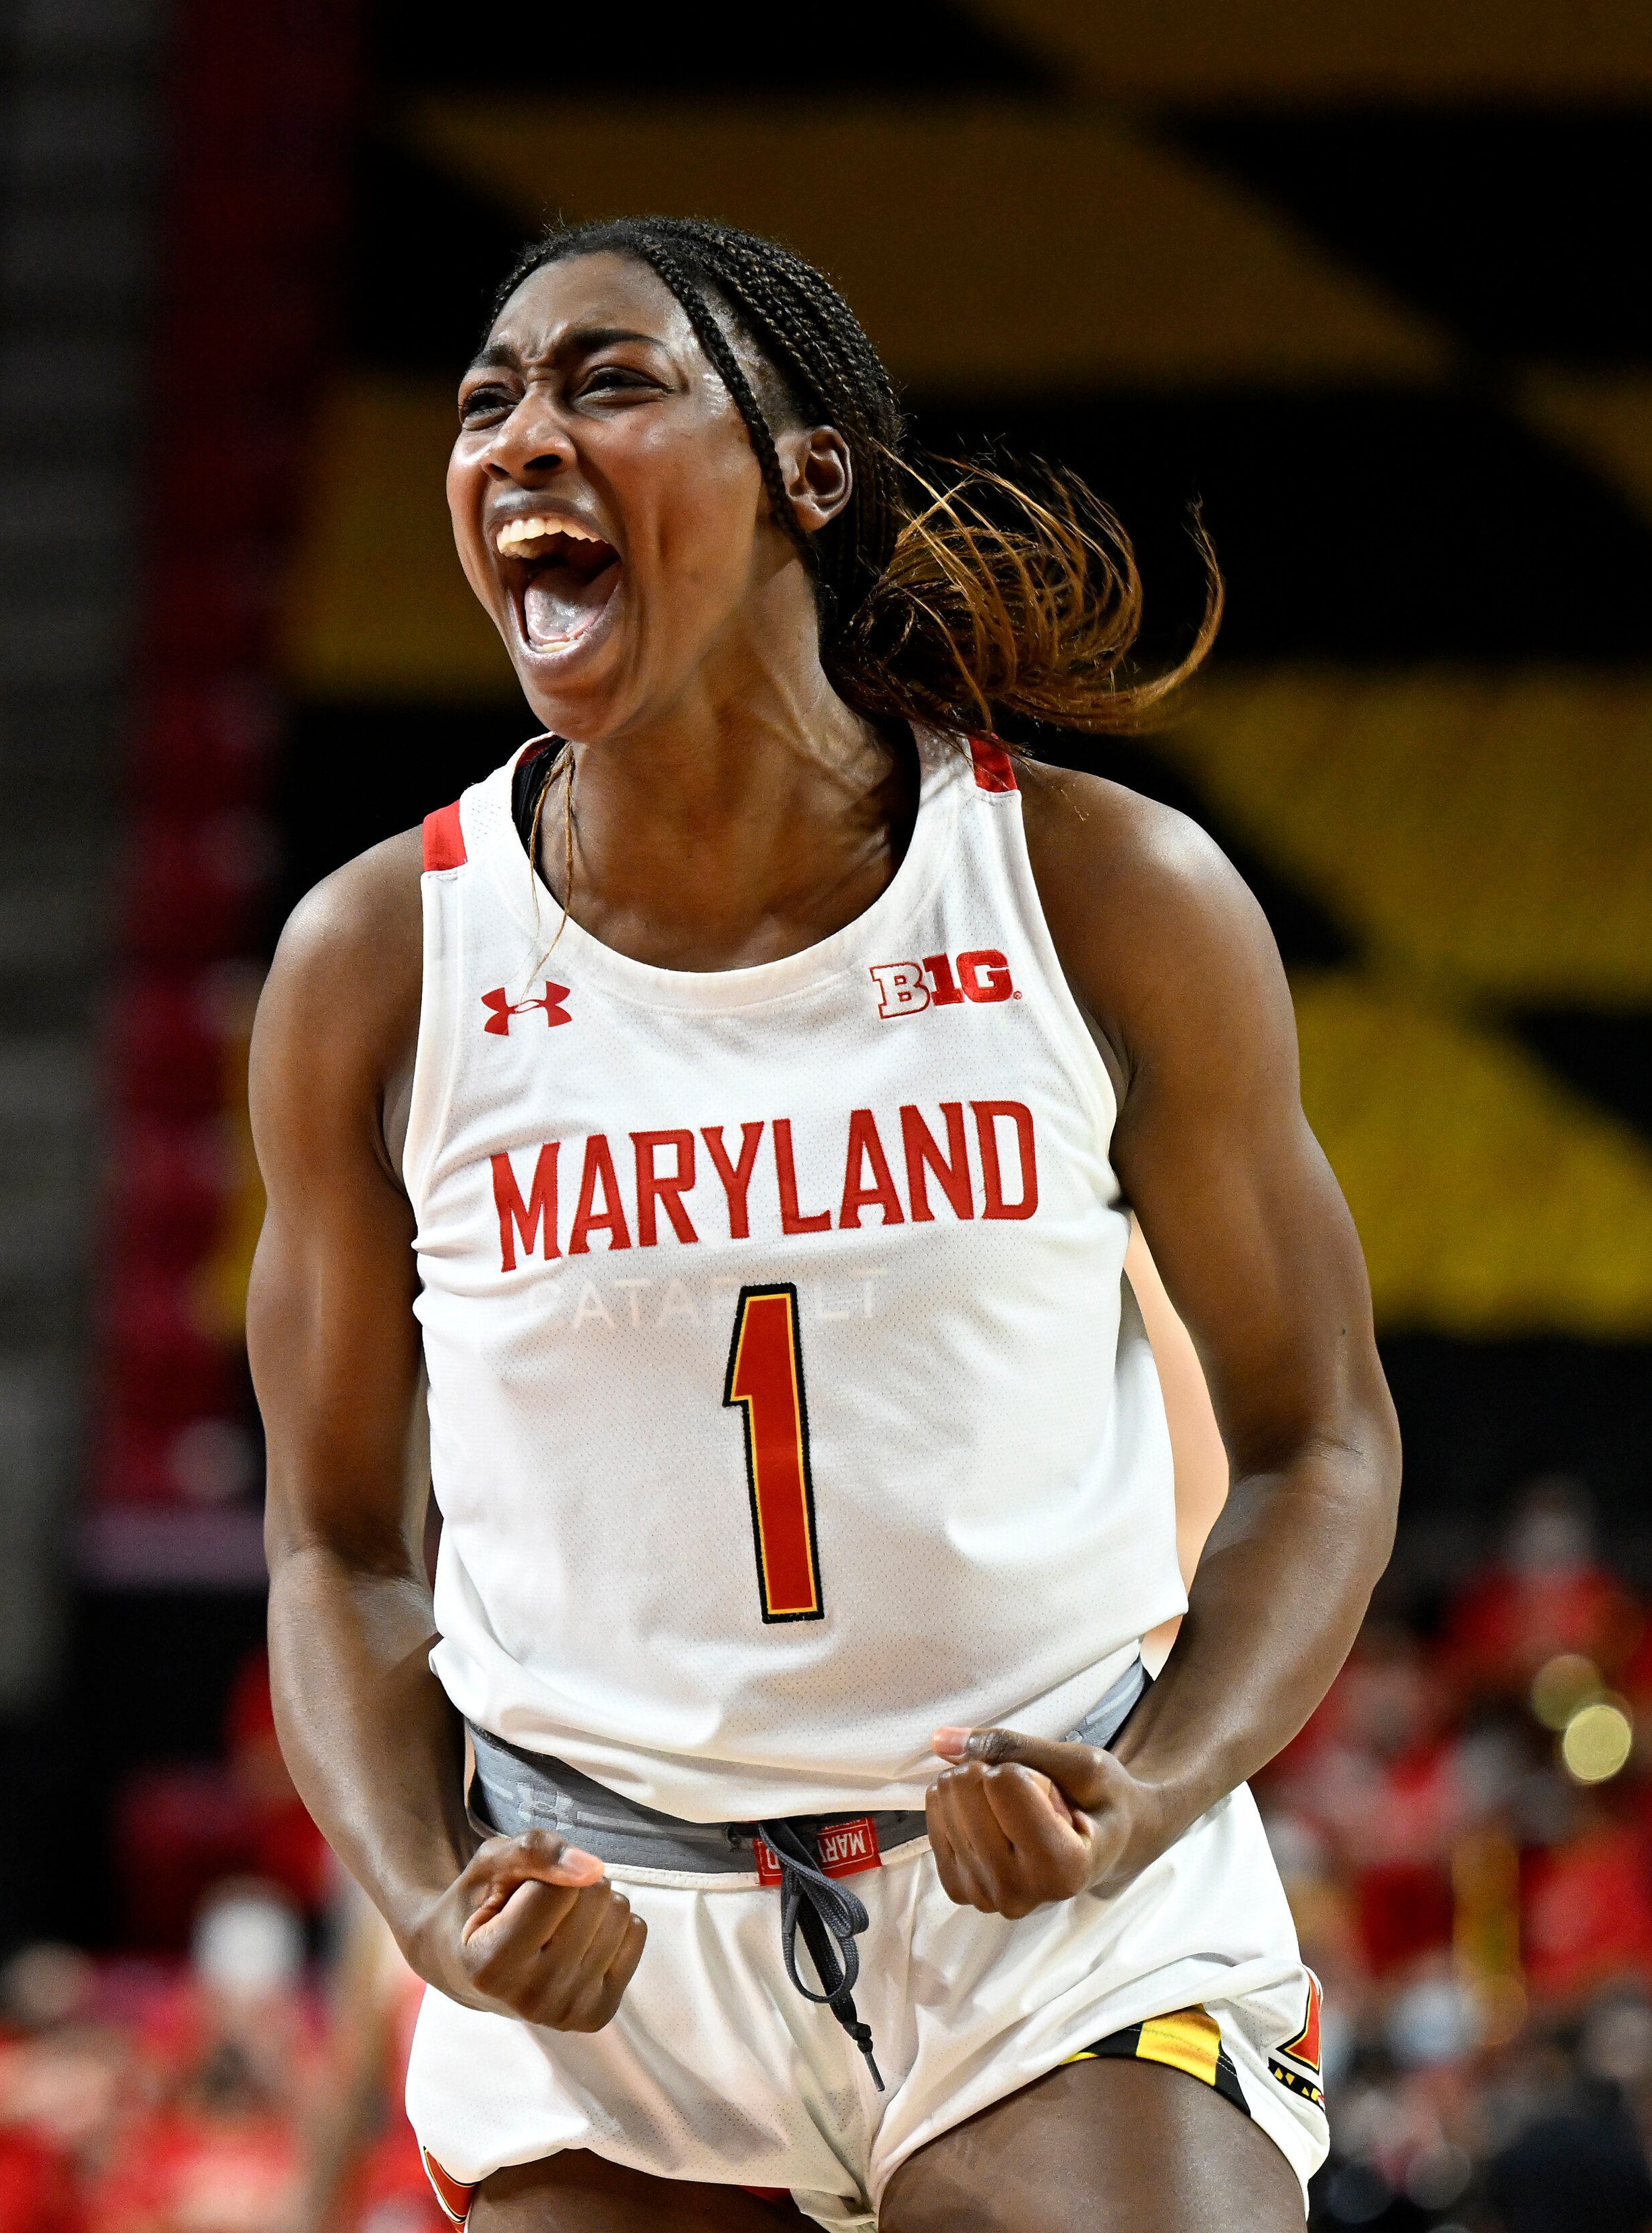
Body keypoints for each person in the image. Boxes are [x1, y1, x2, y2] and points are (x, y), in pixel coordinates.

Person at [245, 215, 1400, 2231]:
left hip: (1043, 1921)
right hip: (608, 1936)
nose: (524, 436)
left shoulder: (1102, 894)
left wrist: (1155, 1791)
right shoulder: (381, 964)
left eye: (609, 380)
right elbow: (338, 1550)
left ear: (808, 473)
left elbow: (1323, 1448)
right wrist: (433, 1908)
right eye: (484, 402)